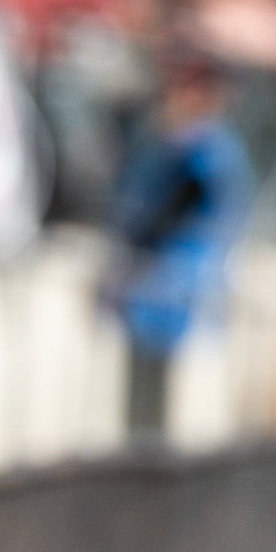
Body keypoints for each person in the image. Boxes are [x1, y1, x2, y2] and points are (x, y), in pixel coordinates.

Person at [106, 49, 253, 437]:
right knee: (139, 415)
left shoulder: (208, 150)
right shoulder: (167, 141)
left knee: (180, 421)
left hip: (184, 294)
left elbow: (180, 212)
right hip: (151, 293)